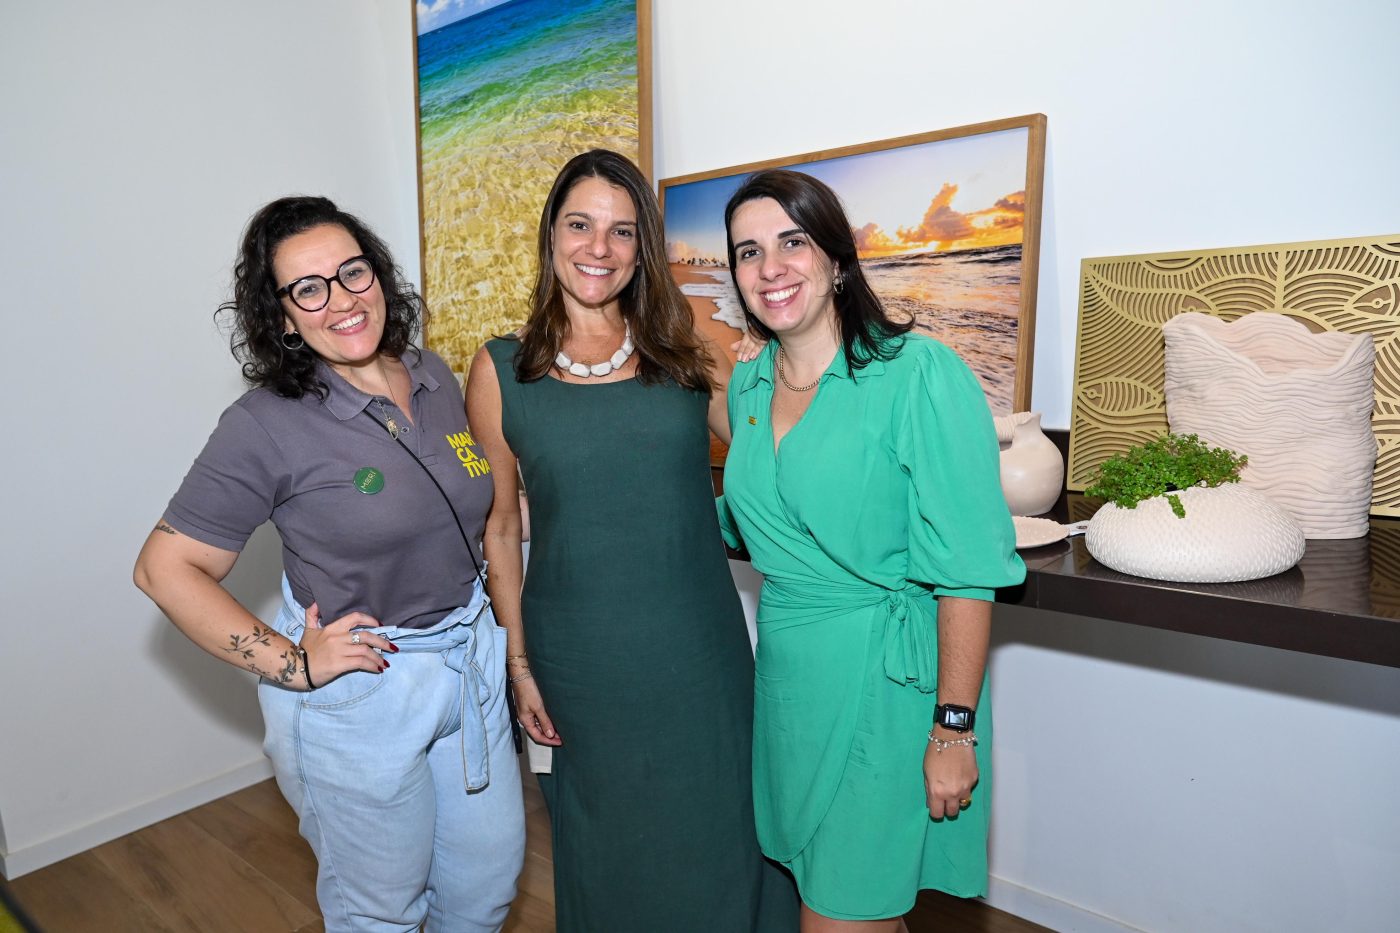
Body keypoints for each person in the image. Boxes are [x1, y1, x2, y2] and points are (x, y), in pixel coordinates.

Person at [133, 196, 523, 933]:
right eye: (309, 288)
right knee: (380, 912)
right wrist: (294, 665)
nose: (342, 299)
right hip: (363, 691)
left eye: (353, 272)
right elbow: (165, 567)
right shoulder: (264, 425)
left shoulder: (431, 374)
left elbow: (459, 505)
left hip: (466, 663)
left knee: (483, 890)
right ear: (281, 316)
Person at [465, 149, 797, 932]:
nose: (599, 248)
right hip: (578, 656)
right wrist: (518, 666)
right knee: (608, 844)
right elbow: (502, 526)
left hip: (699, 648)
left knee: (724, 828)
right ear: (551, 235)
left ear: (643, 246)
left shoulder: (688, 351)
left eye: (621, 231)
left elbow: (769, 458)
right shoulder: (501, 370)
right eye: (580, 224)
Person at [717, 169, 1026, 931]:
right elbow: (758, 513)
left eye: (792, 242)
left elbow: (967, 569)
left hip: (885, 685)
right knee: (853, 901)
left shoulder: (917, 375)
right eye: (748, 252)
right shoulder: (747, 388)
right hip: (792, 686)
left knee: (842, 910)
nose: (771, 267)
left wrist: (952, 727)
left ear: (837, 259)